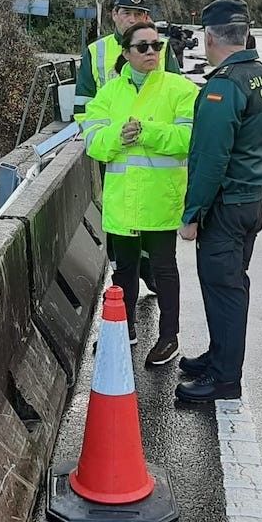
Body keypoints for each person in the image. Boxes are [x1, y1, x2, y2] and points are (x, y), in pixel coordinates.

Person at [174, 0, 262, 402]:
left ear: (209, 36)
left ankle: (224, 378)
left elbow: (210, 158)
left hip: (226, 203)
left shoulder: (225, 86)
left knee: (224, 287)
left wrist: (193, 213)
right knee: (231, 282)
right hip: (252, 198)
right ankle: (220, 355)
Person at [81, 22, 198, 363]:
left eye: (156, 46)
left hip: (161, 198)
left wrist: (146, 132)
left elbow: (188, 139)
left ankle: (169, 336)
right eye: (143, 47)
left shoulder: (180, 89)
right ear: (126, 52)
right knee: (124, 272)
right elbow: (92, 142)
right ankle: (124, 330)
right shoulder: (110, 93)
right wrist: (119, 136)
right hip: (122, 201)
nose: (151, 52)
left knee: (164, 269)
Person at [76, 0, 181, 295]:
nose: (133, 19)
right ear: (114, 15)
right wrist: (103, 140)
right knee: (120, 222)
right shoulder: (96, 52)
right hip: (113, 153)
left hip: (155, 151)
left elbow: (175, 94)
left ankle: (146, 273)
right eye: (127, 13)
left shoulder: (159, 49)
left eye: (139, 14)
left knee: (151, 218)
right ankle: (125, 290)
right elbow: (83, 108)